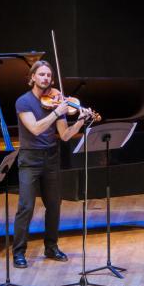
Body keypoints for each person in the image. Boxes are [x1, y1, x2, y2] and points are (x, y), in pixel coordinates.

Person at [12, 60, 97, 269]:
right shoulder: (23, 102)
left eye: (49, 75)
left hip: (51, 158)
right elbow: (36, 129)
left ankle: (51, 247)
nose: (46, 78)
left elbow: (65, 135)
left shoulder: (56, 101)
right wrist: (58, 112)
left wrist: (80, 121)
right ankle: (19, 252)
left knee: (54, 205)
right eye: (41, 75)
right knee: (26, 207)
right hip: (30, 160)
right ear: (32, 77)